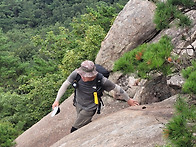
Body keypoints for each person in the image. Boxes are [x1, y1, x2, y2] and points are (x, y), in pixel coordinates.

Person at [52, 60, 139, 133]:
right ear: (81, 74)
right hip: (78, 103)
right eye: (87, 76)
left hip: (89, 108)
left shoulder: (100, 79)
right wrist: (57, 100)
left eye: (91, 76)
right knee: (83, 125)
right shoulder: (76, 74)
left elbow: (117, 88)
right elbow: (65, 85)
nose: (90, 78)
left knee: (74, 130)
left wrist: (129, 100)